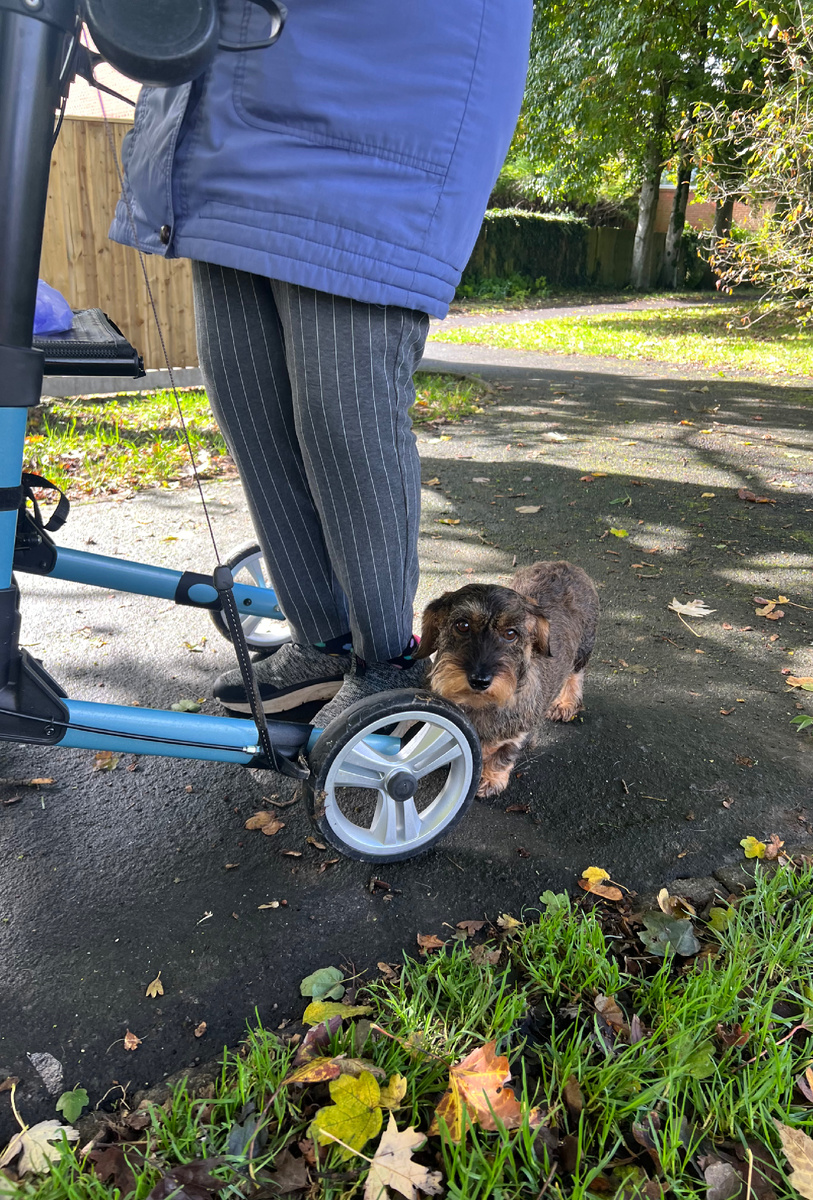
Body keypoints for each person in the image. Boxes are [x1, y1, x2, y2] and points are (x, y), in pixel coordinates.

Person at [110, 0, 532, 726]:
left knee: (343, 413)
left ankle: (383, 665)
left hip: (375, 104)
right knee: (252, 407)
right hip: (223, 107)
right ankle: (323, 642)